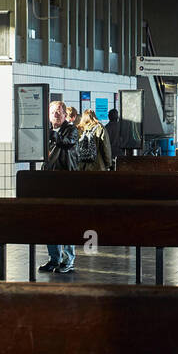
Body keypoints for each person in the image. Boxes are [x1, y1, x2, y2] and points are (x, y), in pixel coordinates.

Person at [42, 100, 79, 273]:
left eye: (58, 112)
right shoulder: (45, 131)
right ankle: (54, 258)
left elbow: (69, 142)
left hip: (66, 181)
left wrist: (56, 137)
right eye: (52, 112)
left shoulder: (70, 129)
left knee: (67, 221)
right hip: (48, 182)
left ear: (65, 114)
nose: (55, 115)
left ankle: (68, 259)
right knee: (49, 221)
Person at [76, 108, 113, 172]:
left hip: (81, 167)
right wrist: (108, 163)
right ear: (94, 116)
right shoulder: (100, 127)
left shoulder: (78, 129)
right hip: (97, 166)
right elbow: (106, 147)